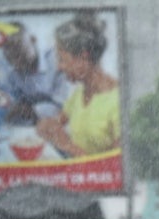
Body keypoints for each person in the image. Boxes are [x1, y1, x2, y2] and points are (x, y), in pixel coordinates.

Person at [36, 11, 120, 157]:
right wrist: (48, 125)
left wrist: (67, 145)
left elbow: (113, 171)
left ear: (83, 57)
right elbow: (57, 122)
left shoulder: (118, 102)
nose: (58, 67)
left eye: (62, 59)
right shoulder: (79, 93)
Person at [1, 22, 70, 126]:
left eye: (19, 51)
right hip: (29, 131)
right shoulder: (13, 75)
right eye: (9, 57)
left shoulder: (57, 60)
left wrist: (30, 111)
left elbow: (64, 106)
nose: (16, 61)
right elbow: (10, 108)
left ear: (33, 40)